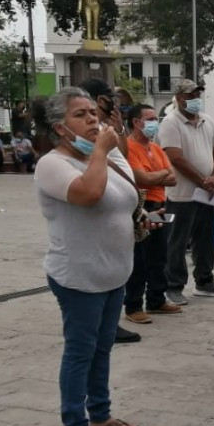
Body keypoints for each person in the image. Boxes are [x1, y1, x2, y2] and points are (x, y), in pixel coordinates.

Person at [32, 87, 145, 426]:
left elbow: (126, 198)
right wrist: (99, 151)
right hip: (78, 274)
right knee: (81, 350)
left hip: (114, 271)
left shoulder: (109, 157)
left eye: (94, 113)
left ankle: (100, 413)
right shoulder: (53, 164)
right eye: (80, 115)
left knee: (103, 348)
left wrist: (140, 220)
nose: (93, 120)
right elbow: (89, 194)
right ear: (59, 128)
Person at [78, 78, 141, 344]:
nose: (114, 104)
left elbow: (122, 158)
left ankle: (110, 322)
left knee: (117, 264)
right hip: (100, 205)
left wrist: (119, 131)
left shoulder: (108, 128)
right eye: (108, 99)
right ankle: (99, 325)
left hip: (119, 207)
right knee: (99, 265)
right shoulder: (87, 133)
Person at [159, 78, 214, 304]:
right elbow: (176, 158)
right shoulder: (171, 123)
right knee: (177, 241)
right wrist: (203, 181)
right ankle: (173, 285)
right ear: (179, 98)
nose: (195, 100)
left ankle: (205, 281)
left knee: (206, 238)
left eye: (197, 96)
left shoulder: (207, 120)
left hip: (206, 193)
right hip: (182, 194)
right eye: (190, 96)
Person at [123, 104, 183, 324]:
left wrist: (154, 175)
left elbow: (173, 177)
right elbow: (142, 179)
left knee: (159, 254)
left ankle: (157, 299)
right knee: (139, 256)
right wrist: (161, 175)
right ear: (135, 122)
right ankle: (133, 305)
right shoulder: (128, 147)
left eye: (154, 118)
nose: (153, 122)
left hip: (160, 203)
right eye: (149, 119)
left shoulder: (156, 148)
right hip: (142, 204)